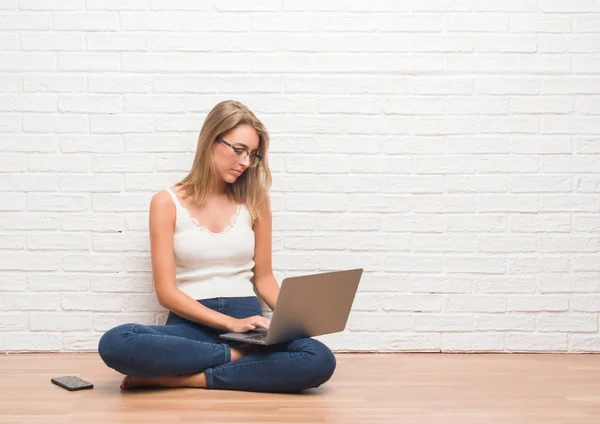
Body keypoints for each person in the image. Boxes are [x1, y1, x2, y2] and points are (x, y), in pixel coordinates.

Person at [97, 100, 336, 393]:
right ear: (210, 140)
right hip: (191, 325)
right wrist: (229, 325)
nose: (245, 163)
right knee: (117, 342)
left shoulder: (255, 199)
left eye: (253, 155)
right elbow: (166, 292)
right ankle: (242, 360)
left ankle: (182, 378)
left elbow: (263, 279)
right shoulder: (165, 202)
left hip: (249, 323)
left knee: (319, 359)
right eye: (238, 150)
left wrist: (295, 320)